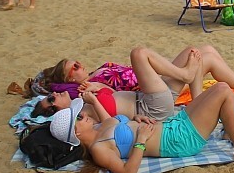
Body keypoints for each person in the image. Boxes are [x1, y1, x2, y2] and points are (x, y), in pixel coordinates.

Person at [50, 80, 234, 173]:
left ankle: (230, 133)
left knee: (219, 87)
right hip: (178, 140)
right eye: (79, 117)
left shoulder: (100, 127)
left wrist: (135, 118)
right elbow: (128, 172)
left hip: (172, 125)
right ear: (76, 134)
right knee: (224, 92)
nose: (84, 114)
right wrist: (141, 140)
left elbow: (117, 120)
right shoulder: (99, 149)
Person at [38, 45, 234, 102]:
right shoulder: (85, 87)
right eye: (75, 67)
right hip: (152, 91)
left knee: (206, 50)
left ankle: (188, 79)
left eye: (77, 62)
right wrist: (98, 87)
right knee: (206, 57)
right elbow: (111, 98)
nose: (80, 65)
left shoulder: (98, 70)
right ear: (70, 78)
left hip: (157, 78)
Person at [33, 46, 204, 120]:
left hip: (148, 98)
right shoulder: (81, 117)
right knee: (138, 53)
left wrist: (97, 88)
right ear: (57, 111)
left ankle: (197, 106)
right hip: (150, 108)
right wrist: (95, 101)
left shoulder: (80, 100)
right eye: (50, 100)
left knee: (193, 52)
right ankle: (185, 74)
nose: (53, 94)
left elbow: (114, 96)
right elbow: (109, 125)